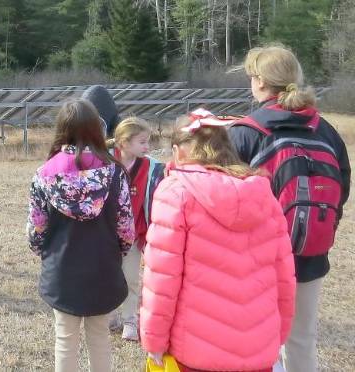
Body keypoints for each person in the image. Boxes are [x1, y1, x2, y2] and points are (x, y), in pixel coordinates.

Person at [141, 110, 296, 372]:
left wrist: (154, 339)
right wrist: (277, 335)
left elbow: (162, 278)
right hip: (258, 348)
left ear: (179, 152)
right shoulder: (263, 194)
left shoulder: (176, 192)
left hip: (195, 350)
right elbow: (284, 276)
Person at [228, 45, 350, 372]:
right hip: (310, 254)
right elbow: (342, 184)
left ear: (259, 81)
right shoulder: (324, 129)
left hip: (256, 257)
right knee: (301, 340)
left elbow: (226, 201)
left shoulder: (243, 133)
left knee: (252, 340)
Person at [27, 99, 134, 372]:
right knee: (99, 337)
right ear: (96, 128)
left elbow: (37, 227)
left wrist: (43, 251)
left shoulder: (44, 173)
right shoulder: (114, 172)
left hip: (61, 266)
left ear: (62, 129)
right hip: (103, 264)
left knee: (65, 338)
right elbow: (125, 227)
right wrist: (119, 251)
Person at [106, 117, 165, 341]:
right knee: (108, 276)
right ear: (123, 142)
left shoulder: (152, 167)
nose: (147, 147)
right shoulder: (105, 161)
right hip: (107, 235)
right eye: (142, 142)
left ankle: (130, 320)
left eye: (147, 142)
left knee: (130, 278)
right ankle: (111, 315)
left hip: (132, 234)